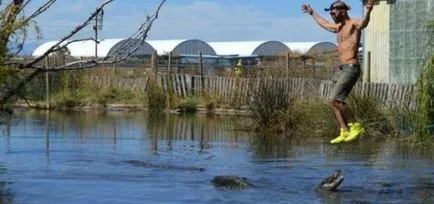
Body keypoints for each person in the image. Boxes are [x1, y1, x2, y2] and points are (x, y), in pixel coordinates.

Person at [302, 0, 375, 144]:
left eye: (333, 13)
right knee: (332, 101)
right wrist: (312, 13)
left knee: (337, 99)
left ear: (342, 11)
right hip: (341, 69)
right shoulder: (339, 27)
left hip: (351, 68)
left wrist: (368, 11)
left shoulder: (353, 24)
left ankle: (356, 126)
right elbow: (324, 24)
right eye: (330, 13)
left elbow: (364, 24)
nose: (332, 15)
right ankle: (344, 130)